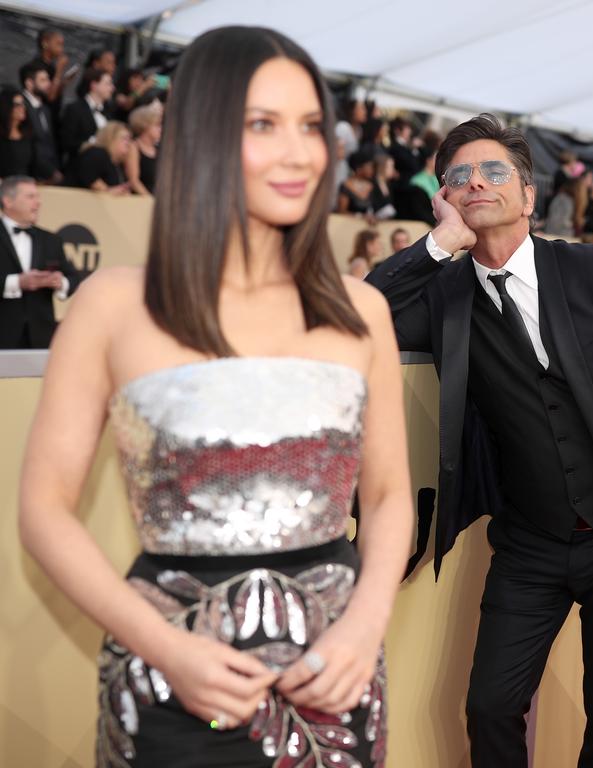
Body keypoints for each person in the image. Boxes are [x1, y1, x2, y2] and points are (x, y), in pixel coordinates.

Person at [18, 26, 412, 768]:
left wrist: (364, 627)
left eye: (310, 127)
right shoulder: (113, 305)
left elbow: (390, 495)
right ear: (201, 133)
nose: (299, 153)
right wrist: (166, 648)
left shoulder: (362, 311)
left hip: (336, 676)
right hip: (165, 679)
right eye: (263, 125)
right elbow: (43, 509)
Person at [367, 114, 593, 767]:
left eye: (494, 171)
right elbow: (358, 315)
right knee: (490, 708)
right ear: (446, 199)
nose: (476, 183)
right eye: (458, 177)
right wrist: (439, 243)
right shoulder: (445, 293)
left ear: (528, 196)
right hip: (527, 545)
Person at [0, 175, 82, 348]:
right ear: (8, 201)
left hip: (40, 336)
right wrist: (17, 282)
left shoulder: (51, 240)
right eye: (30, 197)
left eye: (38, 197)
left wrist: (60, 282)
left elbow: (73, 277)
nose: (38, 203)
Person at [60, 68, 114, 163]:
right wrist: (91, 143)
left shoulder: (108, 110)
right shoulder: (75, 109)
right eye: (107, 84)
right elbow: (66, 142)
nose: (112, 88)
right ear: (94, 85)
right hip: (81, 164)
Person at [19, 61, 62, 183]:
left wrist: (55, 170)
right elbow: (30, 145)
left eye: (48, 79)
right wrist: (49, 171)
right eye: (43, 80)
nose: (48, 84)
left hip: (49, 176)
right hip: (29, 176)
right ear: (29, 83)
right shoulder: (21, 107)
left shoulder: (45, 109)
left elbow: (49, 143)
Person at [64, 121, 132, 193]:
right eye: (124, 138)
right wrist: (107, 190)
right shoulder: (97, 153)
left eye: (130, 139)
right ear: (110, 138)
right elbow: (88, 174)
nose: (128, 143)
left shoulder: (116, 163)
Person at [125, 103, 161, 195]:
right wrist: (150, 200)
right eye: (157, 125)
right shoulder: (134, 147)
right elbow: (134, 181)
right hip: (141, 201)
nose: (160, 129)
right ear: (144, 126)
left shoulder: (159, 149)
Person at [0, 88, 34, 178]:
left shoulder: (28, 134)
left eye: (23, 104)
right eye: (17, 104)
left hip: (26, 185)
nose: (22, 108)